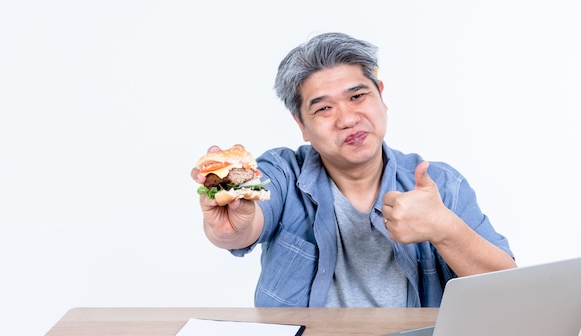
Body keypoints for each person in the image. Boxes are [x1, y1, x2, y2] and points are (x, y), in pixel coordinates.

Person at [191, 32, 517, 308]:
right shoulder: (284, 173)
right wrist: (230, 225)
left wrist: (444, 228)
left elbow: (509, 292)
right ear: (301, 125)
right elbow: (247, 218)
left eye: (358, 96)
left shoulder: (440, 184)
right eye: (323, 108)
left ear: (381, 97)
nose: (347, 118)